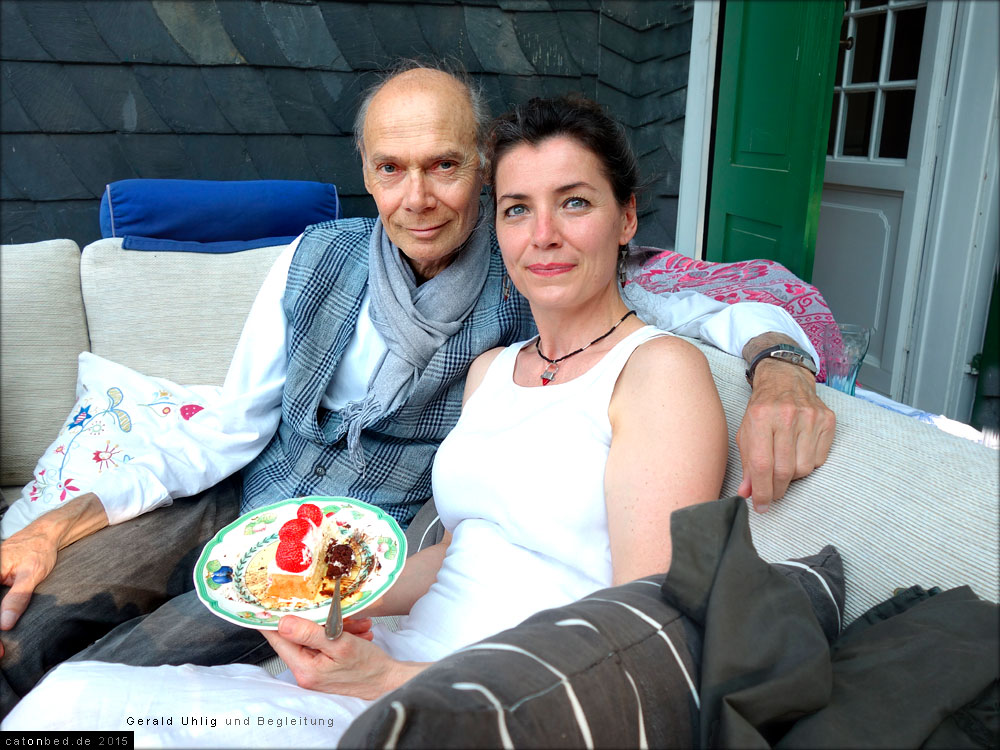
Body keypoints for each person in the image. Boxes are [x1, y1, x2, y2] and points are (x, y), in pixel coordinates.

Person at [0, 62, 834, 712]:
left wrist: (781, 366)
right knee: (26, 626)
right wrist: (57, 525)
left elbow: (711, 301)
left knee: (101, 686)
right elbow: (227, 426)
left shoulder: (531, 269)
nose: (419, 198)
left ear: (480, 167)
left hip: (347, 555)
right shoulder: (314, 259)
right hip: (235, 503)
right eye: (392, 169)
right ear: (365, 173)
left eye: (444, 166)